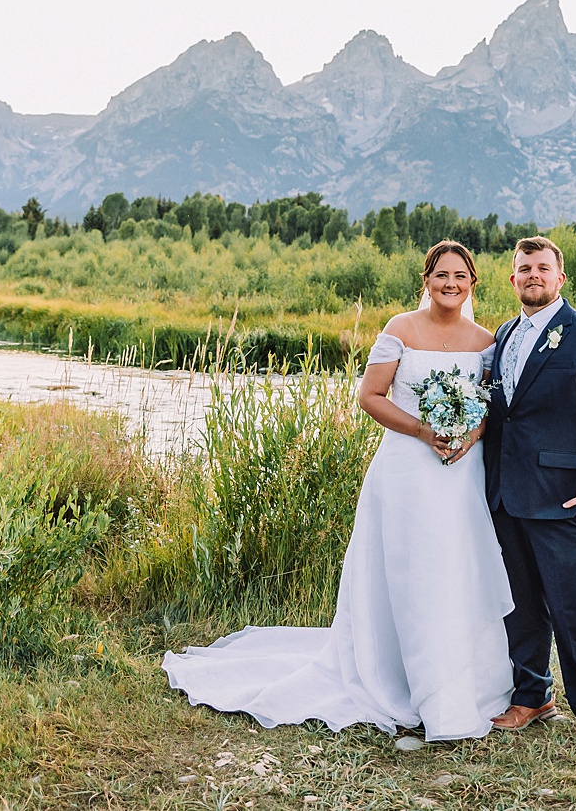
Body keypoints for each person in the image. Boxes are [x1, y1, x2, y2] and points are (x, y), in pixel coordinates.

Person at [161, 241, 514, 741]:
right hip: (406, 471)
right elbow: (368, 395)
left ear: (473, 283)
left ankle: (461, 681)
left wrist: (468, 435)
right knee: (408, 571)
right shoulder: (400, 329)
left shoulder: (486, 340)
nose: (450, 284)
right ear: (426, 280)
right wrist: (421, 430)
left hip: (460, 473)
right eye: (441, 275)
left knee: (457, 568)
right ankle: (396, 677)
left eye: (459, 275)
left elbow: (487, 406)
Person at [484, 235, 576, 750]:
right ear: (513, 279)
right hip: (505, 498)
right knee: (519, 604)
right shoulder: (503, 335)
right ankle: (532, 696)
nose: (533, 275)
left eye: (542, 268)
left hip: (566, 499)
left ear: (560, 277)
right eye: (524, 268)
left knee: (574, 609)